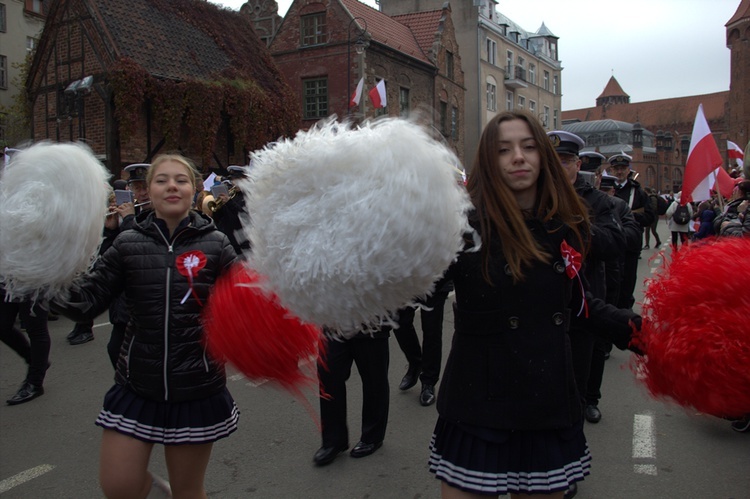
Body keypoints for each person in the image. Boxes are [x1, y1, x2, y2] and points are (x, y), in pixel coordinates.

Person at [428, 111, 641, 498]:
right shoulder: (458, 225)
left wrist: (640, 332)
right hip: (478, 402)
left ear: (542, 156)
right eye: (503, 149)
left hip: (545, 400)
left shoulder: (569, 225)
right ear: (489, 163)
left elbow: (577, 303)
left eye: (528, 147)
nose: (518, 157)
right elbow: (419, 288)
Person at [53, 154, 238, 497]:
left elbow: (246, 307)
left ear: (194, 190)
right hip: (136, 387)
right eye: (162, 180)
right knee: (118, 486)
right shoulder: (127, 243)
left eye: (180, 180)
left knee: (188, 491)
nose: (171, 186)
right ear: (148, 191)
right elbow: (86, 302)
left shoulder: (217, 244)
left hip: (194, 388)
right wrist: (45, 280)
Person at [313, 325, 391, 466]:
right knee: (328, 373)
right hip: (334, 320)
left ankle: (373, 436)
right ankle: (334, 440)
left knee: (374, 378)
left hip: (370, 321)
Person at [394, 278, 452, 407]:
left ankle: (428, 382)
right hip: (407, 278)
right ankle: (415, 363)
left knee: (432, 330)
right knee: (399, 322)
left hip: (436, 278)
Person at [608, 153, 655, 310]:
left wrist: (631, 218)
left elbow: (649, 216)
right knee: (610, 284)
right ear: (611, 170)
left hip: (630, 245)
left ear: (628, 170)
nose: (619, 172)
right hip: (611, 244)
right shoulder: (606, 189)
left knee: (627, 284)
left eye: (622, 168)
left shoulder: (638, 192)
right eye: (616, 169)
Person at [0, 288, 51, 405]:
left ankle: (35, 382)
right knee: (2, 326)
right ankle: (37, 363)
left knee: (36, 329)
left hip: (35, 280)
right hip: (7, 279)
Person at [211, 165, 250, 255]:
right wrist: (218, 208)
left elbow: (244, 215)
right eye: (232, 180)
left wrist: (229, 202)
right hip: (229, 242)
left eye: (237, 180)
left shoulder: (250, 196)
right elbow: (219, 219)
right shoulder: (232, 195)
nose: (234, 183)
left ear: (246, 179)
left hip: (244, 243)